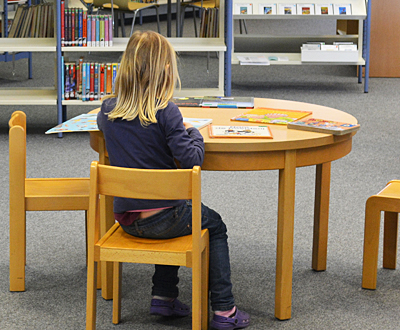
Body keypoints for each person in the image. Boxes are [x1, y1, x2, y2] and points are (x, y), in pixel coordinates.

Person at [97, 30, 250, 330]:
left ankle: (164, 297)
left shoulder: (106, 112)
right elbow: (192, 159)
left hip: (127, 218)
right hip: (164, 217)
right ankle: (223, 309)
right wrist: (193, 133)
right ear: (165, 71)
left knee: (171, 208)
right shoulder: (166, 112)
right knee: (213, 224)